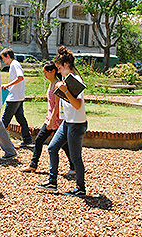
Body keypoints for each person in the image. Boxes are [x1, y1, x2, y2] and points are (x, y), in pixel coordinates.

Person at [36, 46, 87, 197]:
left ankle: (81, 188)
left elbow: (78, 105)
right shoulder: (65, 80)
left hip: (77, 124)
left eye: (58, 68)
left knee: (75, 156)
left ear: (66, 65)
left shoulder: (75, 80)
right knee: (52, 148)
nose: (57, 71)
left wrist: (64, 91)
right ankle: (52, 182)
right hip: (67, 122)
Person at [20, 61, 75, 175]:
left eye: (46, 71)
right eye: (44, 72)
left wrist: (51, 120)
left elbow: (57, 104)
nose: (44, 74)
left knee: (59, 144)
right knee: (42, 140)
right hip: (50, 118)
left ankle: (74, 167)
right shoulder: (51, 83)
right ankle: (33, 165)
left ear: (53, 71)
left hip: (56, 120)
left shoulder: (57, 85)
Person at [0, 48, 33, 147]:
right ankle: (27, 139)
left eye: (3, 58)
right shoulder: (15, 64)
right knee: (21, 119)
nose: (3, 61)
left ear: (8, 56)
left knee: (5, 119)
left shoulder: (14, 64)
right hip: (18, 96)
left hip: (14, 97)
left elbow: (20, 77)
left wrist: (7, 85)